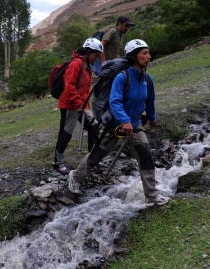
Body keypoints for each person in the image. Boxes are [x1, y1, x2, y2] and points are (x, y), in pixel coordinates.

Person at [68, 39, 171, 207]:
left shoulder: (148, 79)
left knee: (145, 155)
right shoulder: (122, 77)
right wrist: (124, 120)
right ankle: (75, 177)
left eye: (148, 53)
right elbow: (115, 102)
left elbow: (149, 101)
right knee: (96, 156)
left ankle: (152, 196)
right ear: (133, 56)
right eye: (144, 53)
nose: (149, 56)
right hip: (115, 125)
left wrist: (152, 117)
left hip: (135, 125)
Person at [53, 38, 103, 175]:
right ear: (88, 52)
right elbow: (69, 87)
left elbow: (84, 90)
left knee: (94, 127)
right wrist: (78, 103)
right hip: (70, 105)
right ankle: (58, 163)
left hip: (82, 105)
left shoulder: (87, 66)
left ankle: (92, 159)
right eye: (95, 56)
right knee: (65, 134)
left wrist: (84, 106)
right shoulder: (76, 64)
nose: (96, 59)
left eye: (98, 56)